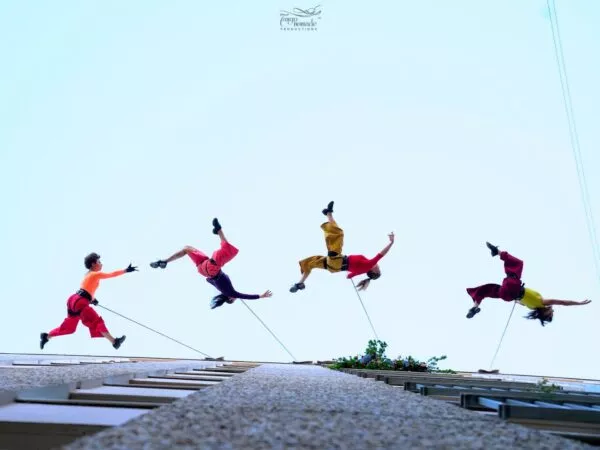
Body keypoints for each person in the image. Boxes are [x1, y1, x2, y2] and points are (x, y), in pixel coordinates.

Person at [150, 218, 272, 309]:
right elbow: (208, 281)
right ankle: (164, 262)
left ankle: (218, 230)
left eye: (233, 299)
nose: (235, 297)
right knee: (187, 248)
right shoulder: (223, 289)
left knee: (228, 252)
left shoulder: (231, 293)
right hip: (203, 268)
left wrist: (260, 296)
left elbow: (245, 296)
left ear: (230, 298)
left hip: (212, 268)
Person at [466, 242, 592, 326]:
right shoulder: (531, 307)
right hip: (508, 296)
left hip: (513, 288)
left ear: (545, 313)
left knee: (518, 264)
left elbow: (563, 303)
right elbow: (520, 302)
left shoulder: (541, 302)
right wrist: (517, 301)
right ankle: (474, 307)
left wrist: (579, 303)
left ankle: (497, 252)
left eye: (551, 313)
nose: (552, 311)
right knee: (488, 290)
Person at [289, 201, 395, 293]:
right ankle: (299, 284)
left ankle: (329, 214)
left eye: (378, 269)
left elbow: (381, 254)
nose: (378, 266)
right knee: (311, 262)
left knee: (338, 234)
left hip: (337, 261)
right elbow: (348, 276)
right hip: (333, 266)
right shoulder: (363, 269)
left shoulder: (369, 264)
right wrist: (356, 274)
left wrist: (391, 243)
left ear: (374, 271)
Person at [40, 253, 137, 350]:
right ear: (93, 264)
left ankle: (46, 336)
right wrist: (125, 270)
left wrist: (93, 299)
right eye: (99, 262)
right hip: (80, 302)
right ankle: (114, 342)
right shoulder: (95, 274)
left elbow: (86, 289)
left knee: (70, 328)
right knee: (97, 321)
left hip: (73, 300)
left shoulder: (88, 275)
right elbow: (111, 274)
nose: (101, 264)